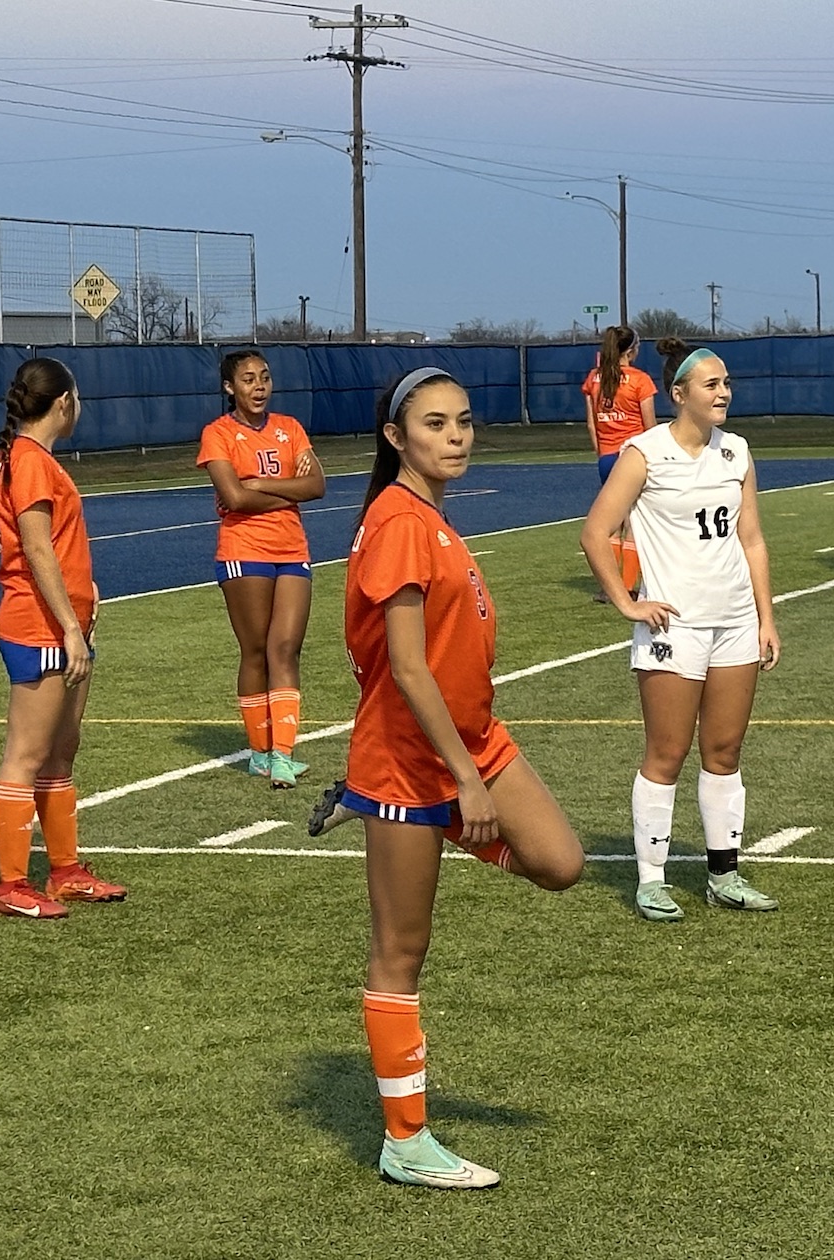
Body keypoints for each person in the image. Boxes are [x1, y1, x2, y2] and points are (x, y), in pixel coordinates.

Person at [345, 367, 585, 1189]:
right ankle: (406, 1141)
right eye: (435, 424)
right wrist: (464, 785)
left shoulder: (431, 519)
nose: (455, 436)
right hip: (408, 763)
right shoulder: (397, 522)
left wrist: (473, 773)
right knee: (400, 951)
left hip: (472, 742)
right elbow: (408, 669)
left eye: (464, 422)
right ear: (395, 437)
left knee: (560, 862)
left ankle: (444, 829)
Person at [582, 339, 781, 924]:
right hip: (675, 625)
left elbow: (751, 539)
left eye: (727, 383)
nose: (724, 393)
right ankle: (651, 880)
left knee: (724, 751)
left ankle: (724, 876)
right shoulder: (644, 453)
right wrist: (628, 602)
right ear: (679, 394)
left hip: (735, 622)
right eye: (712, 384)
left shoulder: (737, 451)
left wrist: (766, 617)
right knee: (667, 753)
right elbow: (595, 532)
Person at [0, 357, 126, 919]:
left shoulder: (32, 459)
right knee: (26, 754)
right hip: (39, 625)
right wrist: (69, 624)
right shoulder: (28, 460)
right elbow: (36, 547)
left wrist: (82, 600)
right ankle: (11, 885)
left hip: (63, 624)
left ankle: (65, 870)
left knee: (62, 750)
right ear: (64, 402)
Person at [197, 350, 326, 789]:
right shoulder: (218, 433)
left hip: (292, 548)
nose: (259, 386)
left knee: (285, 648)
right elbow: (234, 498)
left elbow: (317, 485)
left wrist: (261, 485)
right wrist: (289, 491)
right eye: (248, 379)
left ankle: (283, 756)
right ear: (229, 387)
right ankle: (260, 753)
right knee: (255, 650)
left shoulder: (290, 428)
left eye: (265, 378)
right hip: (244, 549)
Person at [580, 325, 657, 597]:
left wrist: (602, 453)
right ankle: (625, 587)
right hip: (633, 458)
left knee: (611, 525)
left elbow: (592, 424)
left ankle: (608, 588)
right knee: (633, 524)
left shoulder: (594, 378)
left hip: (607, 456)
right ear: (631, 351)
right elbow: (649, 426)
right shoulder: (640, 380)